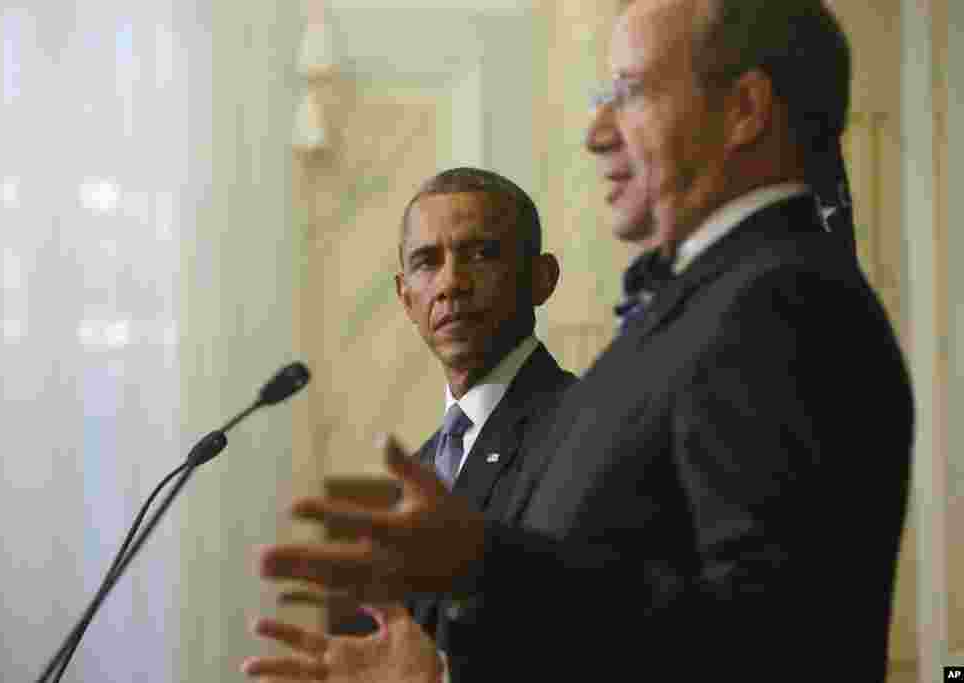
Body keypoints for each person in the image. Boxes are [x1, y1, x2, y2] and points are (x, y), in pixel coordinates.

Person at [246, 1, 914, 681]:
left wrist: (483, 561)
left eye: (628, 93)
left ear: (744, 108)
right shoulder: (701, 304)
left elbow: (774, 644)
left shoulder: (781, 302)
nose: (597, 132)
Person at [243, 168, 575, 681]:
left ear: (542, 278)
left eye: (481, 253)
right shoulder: (421, 471)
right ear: (404, 296)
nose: (450, 283)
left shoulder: (582, 424)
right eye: (426, 262)